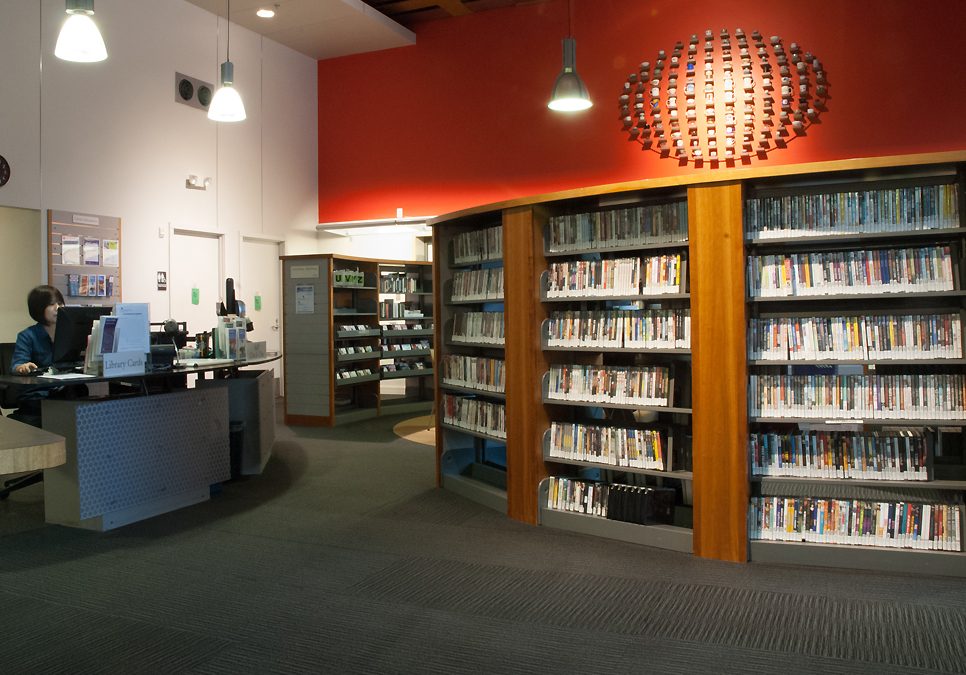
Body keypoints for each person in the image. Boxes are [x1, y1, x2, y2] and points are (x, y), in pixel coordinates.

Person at [9, 285, 65, 423]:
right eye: (51, 304)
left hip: (63, 391)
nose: (58, 308)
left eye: (60, 303)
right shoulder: (27, 335)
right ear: (39, 308)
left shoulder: (69, 334)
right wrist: (23, 366)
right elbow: (18, 364)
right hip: (37, 395)